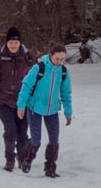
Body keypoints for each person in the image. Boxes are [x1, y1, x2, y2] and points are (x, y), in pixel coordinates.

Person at [0, 27, 36, 172]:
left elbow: (38, 80)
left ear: (19, 43)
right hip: (3, 99)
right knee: (10, 129)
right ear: (7, 42)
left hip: (23, 101)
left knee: (22, 131)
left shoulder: (29, 57)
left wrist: (37, 101)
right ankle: (9, 158)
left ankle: (22, 157)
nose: (13, 45)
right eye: (11, 42)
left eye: (15, 42)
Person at [16, 45, 74, 178]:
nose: (59, 62)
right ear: (50, 56)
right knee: (36, 139)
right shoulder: (39, 68)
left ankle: (50, 168)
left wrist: (68, 113)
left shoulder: (63, 72)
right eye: (57, 58)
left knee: (54, 140)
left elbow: (66, 93)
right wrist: (21, 106)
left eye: (62, 59)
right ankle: (27, 160)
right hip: (34, 109)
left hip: (52, 110)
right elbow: (26, 87)